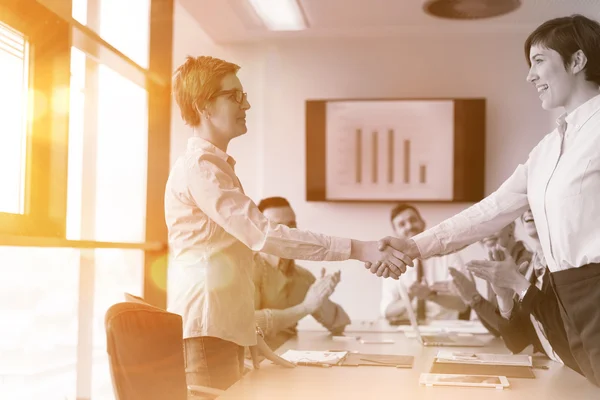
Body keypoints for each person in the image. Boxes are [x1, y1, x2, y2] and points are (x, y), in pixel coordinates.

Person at [371, 15, 600, 385]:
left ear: (576, 61)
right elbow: (490, 211)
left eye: (539, 61)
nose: (529, 76)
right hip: (565, 300)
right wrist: (413, 246)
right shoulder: (547, 150)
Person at [165, 56, 409, 390]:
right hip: (209, 332)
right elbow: (264, 235)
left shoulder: (214, 167)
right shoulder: (201, 169)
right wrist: (359, 248)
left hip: (222, 329)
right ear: (204, 105)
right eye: (234, 96)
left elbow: (230, 264)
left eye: (244, 94)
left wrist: (248, 332)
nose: (246, 103)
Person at [467, 210, 582, 375]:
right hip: (556, 371)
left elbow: (568, 333)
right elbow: (517, 343)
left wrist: (517, 283)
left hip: (581, 375)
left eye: (534, 203)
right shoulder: (532, 268)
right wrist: (505, 298)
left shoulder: (573, 262)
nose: (528, 209)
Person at [253, 197, 351, 350]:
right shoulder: (248, 268)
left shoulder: (303, 277)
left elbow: (340, 324)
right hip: (253, 365)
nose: (288, 233)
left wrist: (321, 297)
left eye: (292, 225)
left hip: (290, 361)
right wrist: (305, 307)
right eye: (278, 226)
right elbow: (248, 324)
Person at [380, 204, 468, 323]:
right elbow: (387, 311)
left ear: (423, 223)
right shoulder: (393, 264)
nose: (409, 226)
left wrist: (431, 295)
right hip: (408, 330)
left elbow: (464, 304)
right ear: (395, 232)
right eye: (402, 224)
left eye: (413, 220)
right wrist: (409, 298)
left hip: (445, 329)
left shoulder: (449, 256)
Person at [450, 222, 532, 335]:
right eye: (481, 228)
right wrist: (472, 299)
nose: (486, 233)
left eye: (492, 224)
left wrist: (475, 299)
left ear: (511, 227)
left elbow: (515, 332)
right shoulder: (496, 264)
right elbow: (496, 330)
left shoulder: (526, 262)